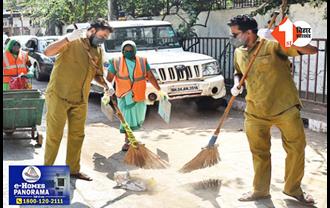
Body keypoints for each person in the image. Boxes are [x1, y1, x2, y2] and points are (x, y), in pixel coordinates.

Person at [227, 15, 318, 204]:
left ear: (249, 32)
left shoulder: (272, 45)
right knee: (259, 152)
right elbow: (238, 72)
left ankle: (293, 189)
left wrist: (283, 38)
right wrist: (237, 85)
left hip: (285, 108)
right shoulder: (239, 52)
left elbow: (310, 50)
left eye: (235, 33)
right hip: (255, 110)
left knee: (296, 149)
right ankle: (260, 191)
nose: (232, 36)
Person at [43, 18, 113, 181]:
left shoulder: (98, 51)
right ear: (93, 30)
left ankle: (73, 170)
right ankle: (46, 172)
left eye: (106, 37)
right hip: (59, 95)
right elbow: (48, 52)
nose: (104, 39)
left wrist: (106, 85)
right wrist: (68, 38)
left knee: (77, 135)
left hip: (81, 98)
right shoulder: (73, 42)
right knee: (55, 135)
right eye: (103, 35)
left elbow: (98, 75)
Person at [105, 40, 166, 151]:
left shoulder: (142, 61)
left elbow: (151, 77)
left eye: (130, 50)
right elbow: (109, 79)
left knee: (138, 119)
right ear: (122, 51)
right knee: (126, 119)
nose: (128, 52)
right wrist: (107, 91)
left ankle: (133, 139)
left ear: (135, 50)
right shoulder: (116, 62)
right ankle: (127, 141)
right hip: (124, 96)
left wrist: (159, 90)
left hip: (139, 95)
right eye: (126, 50)